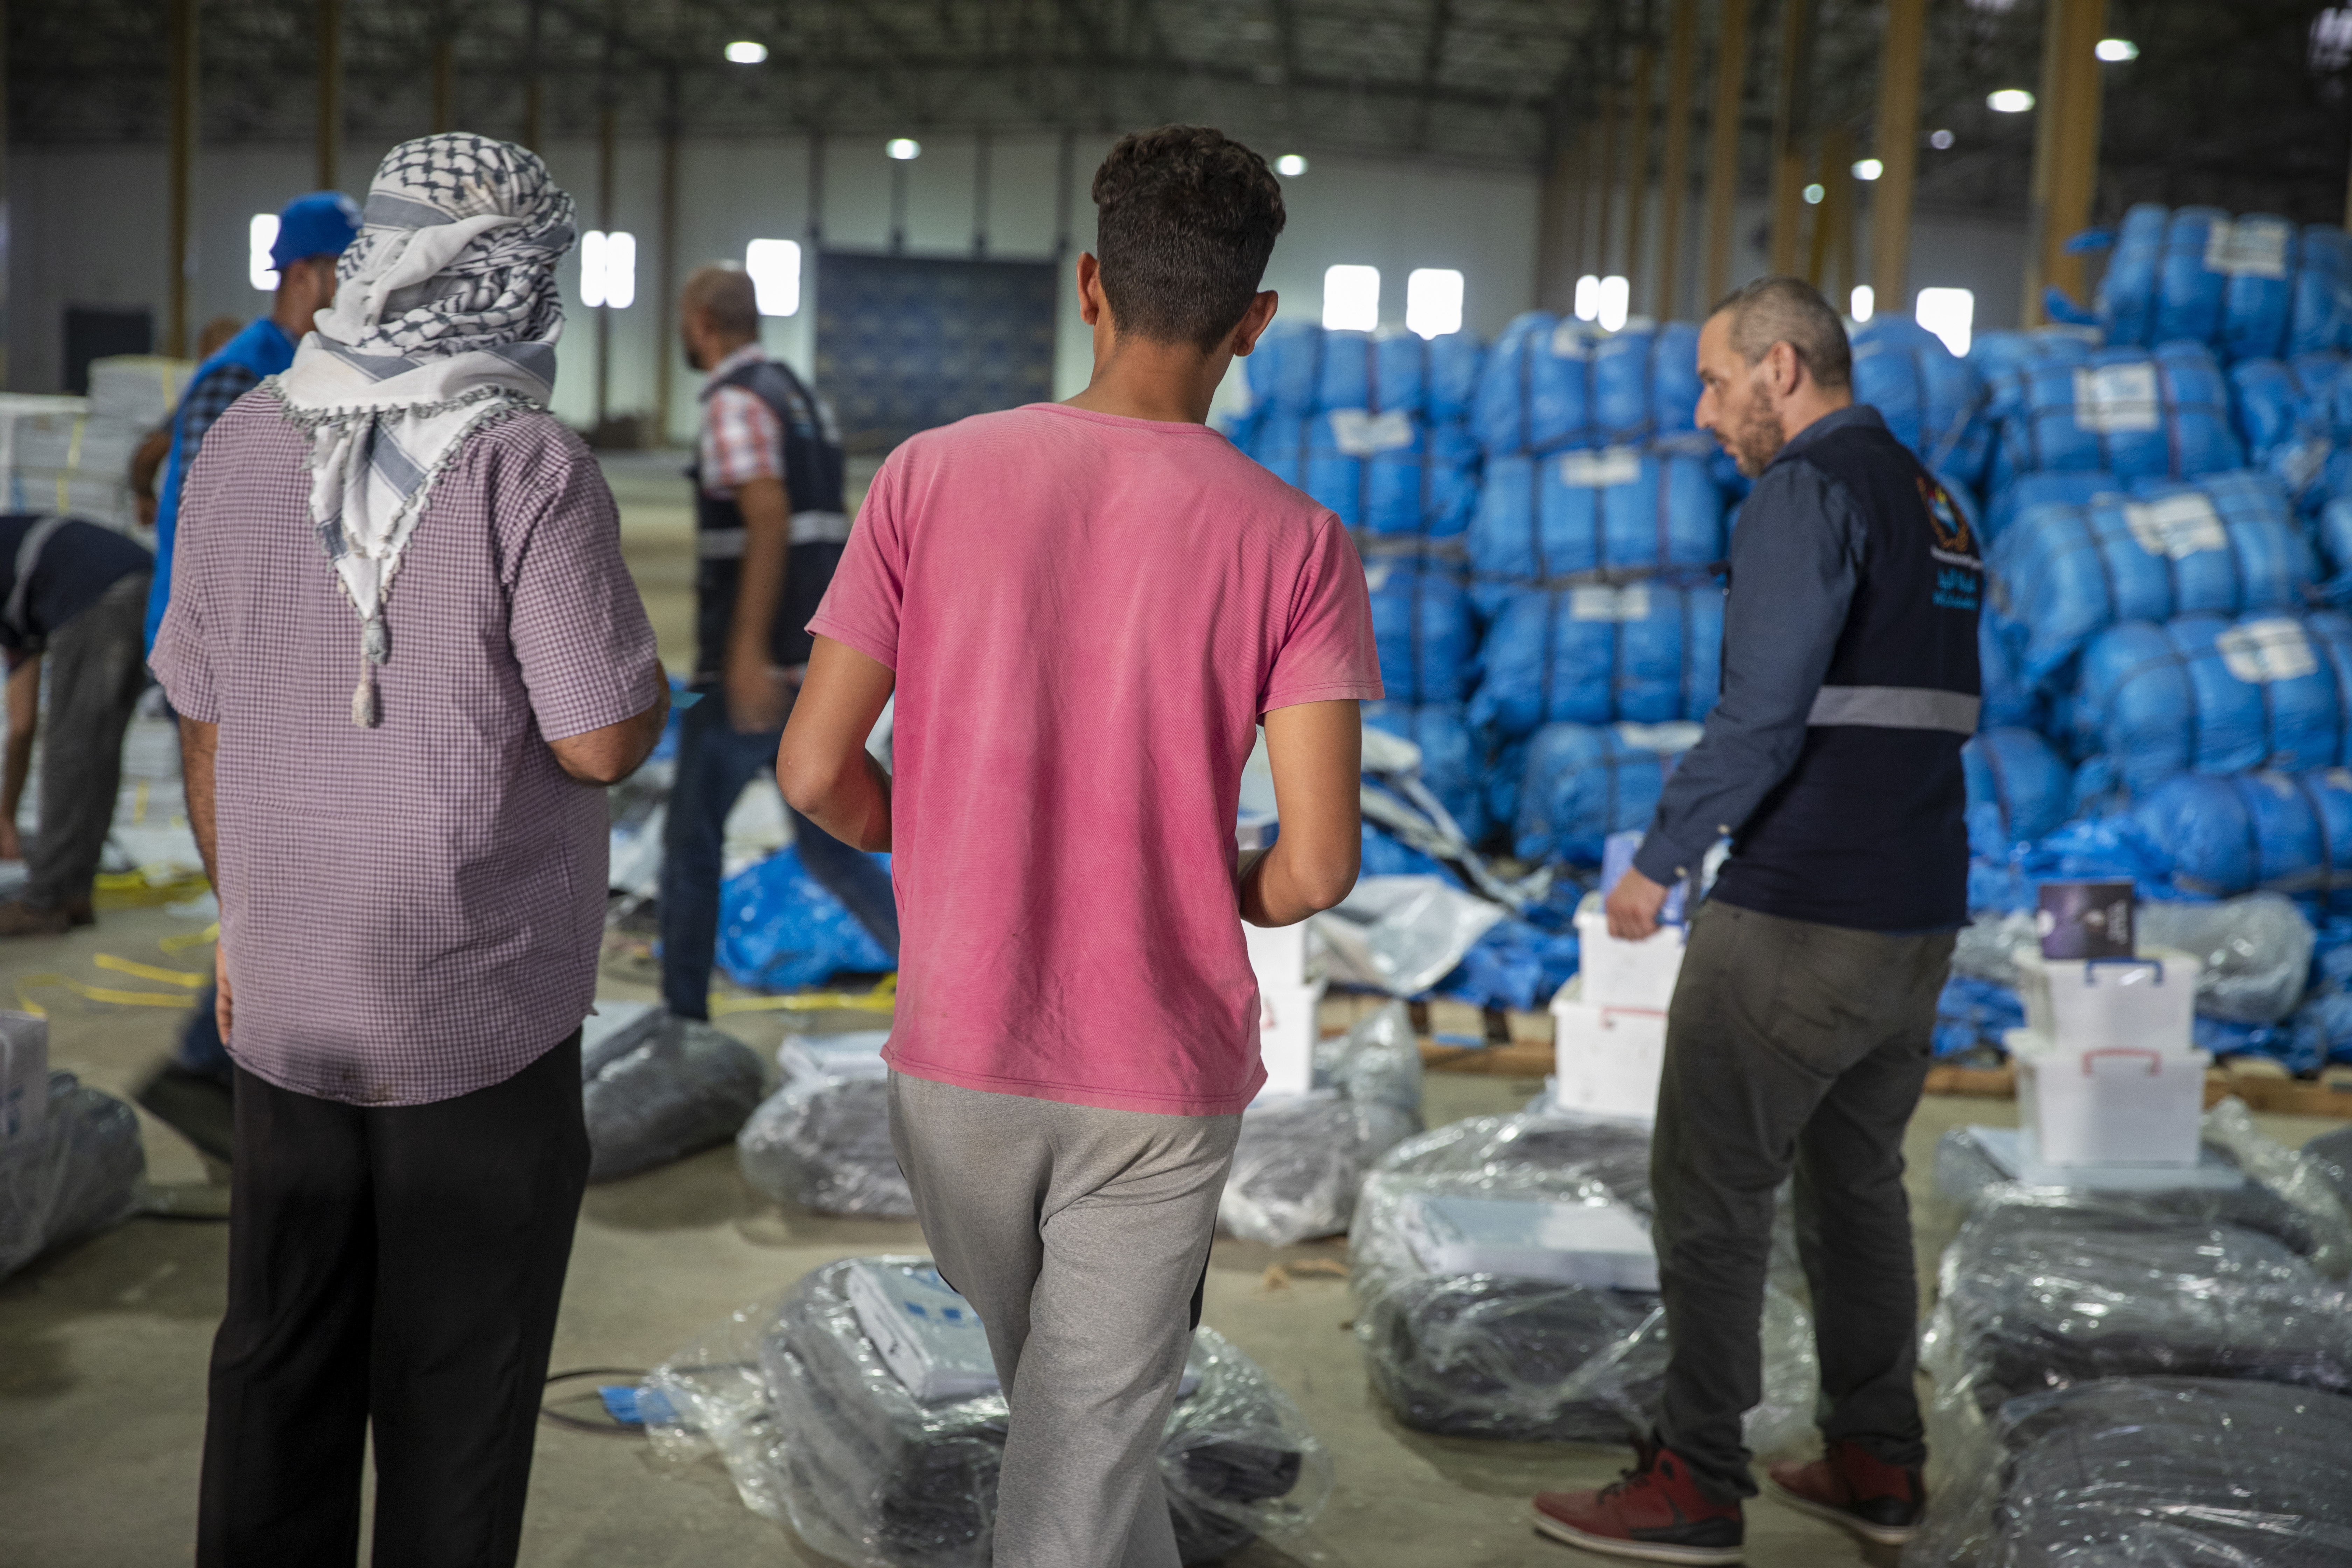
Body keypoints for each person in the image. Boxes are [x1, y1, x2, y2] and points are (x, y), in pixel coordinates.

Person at [779, 124, 1379, 1568]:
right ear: (1257, 322)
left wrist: (939, 848)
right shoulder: (1299, 542)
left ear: (1089, 287)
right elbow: (1318, 870)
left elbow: (812, 770)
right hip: (1157, 1072)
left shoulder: (929, 477)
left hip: (959, 1050)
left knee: (1062, 1427)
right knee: (1084, 1447)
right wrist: (1207, 878)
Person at [149, 134, 666, 1567]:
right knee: (457, 1382)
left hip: (287, 993)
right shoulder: (524, 462)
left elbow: (199, 704)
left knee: (279, 1352)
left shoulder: (248, 436)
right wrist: (650, 679)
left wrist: (241, 923)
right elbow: (599, 739)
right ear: (512, 283)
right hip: (474, 1010)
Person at [1530, 276, 1980, 1564]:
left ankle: (1691, 1480)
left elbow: (1760, 712)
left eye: (1715, 380)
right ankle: (1872, 1457)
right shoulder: (1933, 503)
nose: (1700, 411)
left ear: (1780, 369)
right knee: (1854, 1192)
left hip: (1796, 913)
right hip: (1912, 920)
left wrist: (1657, 860)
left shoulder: (1803, 490)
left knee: (1710, 1196)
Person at [134, 190, 359, 1156]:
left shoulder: (314, 371)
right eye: (349, 277)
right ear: (305, 274)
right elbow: (215, 546)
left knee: (298, 868)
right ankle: (199, 1068)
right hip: (237, 672)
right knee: (275, 874)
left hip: (288, 664)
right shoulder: (245, 381)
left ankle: (241, 1064)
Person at [659, 264, 899, 1021]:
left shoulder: (733, 402)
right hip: (814, 661)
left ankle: (682, 1023)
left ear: (702, 321)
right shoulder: (799, 398)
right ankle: (943, 981)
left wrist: (745, 656)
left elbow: (767, 522)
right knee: (832, 847)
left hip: (752, 670)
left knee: (691, 851)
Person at [0, 516, 155, 934]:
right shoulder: (22, 595)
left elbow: (23, 726)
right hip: (145, 589)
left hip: (106, 599)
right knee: (93, 751)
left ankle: (46, 902)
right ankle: (72, 896)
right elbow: (22, 723)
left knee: (72, 753)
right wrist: (7, 819)